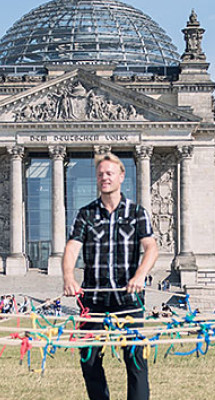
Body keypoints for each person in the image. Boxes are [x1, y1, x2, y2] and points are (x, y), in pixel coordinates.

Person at [61, 153, 158, 400]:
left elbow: (151, 248)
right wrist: (68, 277)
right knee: (89, 358)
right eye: (101, 174)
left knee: (135, 358)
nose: (105, 178)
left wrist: (140, 275)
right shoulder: (86, 213)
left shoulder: (137, 213)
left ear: (121, 177)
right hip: (93, 298)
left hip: (128, 298)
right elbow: (73, 246)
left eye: (109, 173)